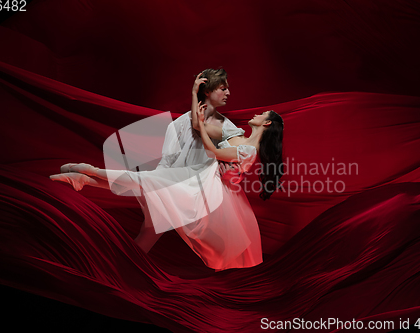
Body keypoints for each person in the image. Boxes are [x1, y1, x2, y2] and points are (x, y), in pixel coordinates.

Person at [50, 71, 285, 270]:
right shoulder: (238, 135)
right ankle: (85, 179)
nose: (228, 94)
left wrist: (199, 110)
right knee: (148, 210)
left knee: (146, 196)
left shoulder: (235, 135)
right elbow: (201, 133)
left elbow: (213, 149)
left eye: (261, 115)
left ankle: (87, 174)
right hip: (196, 178)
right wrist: (196, 100)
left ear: (265, 124)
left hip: (204, 190)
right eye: (223, 88)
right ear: (209, 92)